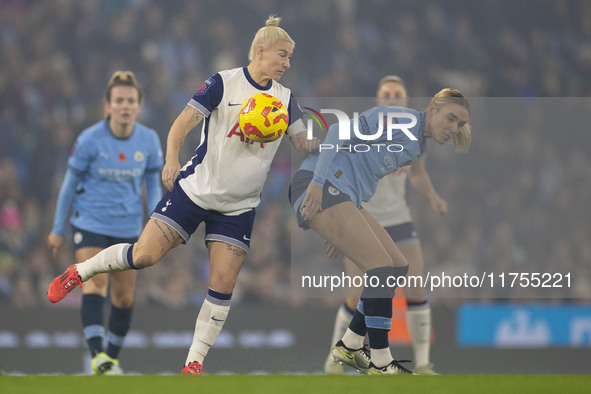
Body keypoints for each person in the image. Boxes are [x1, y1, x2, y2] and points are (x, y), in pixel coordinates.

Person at [47, 16, 318, 375]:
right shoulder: (223, 83)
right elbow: (182, 122)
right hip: (195, 190)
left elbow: (303, 145)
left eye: (289, 59)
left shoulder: (286, 100)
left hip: (239, 206)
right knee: (143, 256)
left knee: (222, 284)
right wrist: (171, 157)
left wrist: (328, 143)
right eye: (282, 56)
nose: (287, 64)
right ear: (260, 50)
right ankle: (79, 272)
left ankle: (193, 362)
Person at [290, 88, 471, 375]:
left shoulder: (414, 147)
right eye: (450, 118)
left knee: (398, 266)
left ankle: (349, 345)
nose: (453, 129)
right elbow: (337, 133)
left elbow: (363, 172)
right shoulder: (400, 121)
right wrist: (317, 183)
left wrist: (343, 223)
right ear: (433, 109)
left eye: (459, 124)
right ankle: (380, 359)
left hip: (343, 196)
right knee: (381, 268)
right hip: (319, 186)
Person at [323, 75, 446, 375]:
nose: (392, 99)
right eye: (387, 94)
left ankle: (423, 364)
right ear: (378, 100)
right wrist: (338, 220)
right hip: (363, 219)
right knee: (356, 295)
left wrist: (432, 196)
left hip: (399, 219)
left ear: (405, 100)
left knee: (415, 288)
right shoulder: (364, 129)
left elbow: (416, 174)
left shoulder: (416, 135)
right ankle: (336, 358)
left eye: (398, 95)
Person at [47, 70, 164, 375]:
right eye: (119, 100)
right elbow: (69, 185)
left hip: (128, 227)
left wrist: (155, 223)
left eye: (130, 100)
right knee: (95, 283)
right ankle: (98, 356)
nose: (125, 106)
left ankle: (111, 359)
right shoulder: (89, 140)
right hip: (90, 224)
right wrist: (58, 229)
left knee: (123, 297)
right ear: (107, 106)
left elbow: (152, 185)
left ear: (138, 105)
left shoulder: (149, 140)